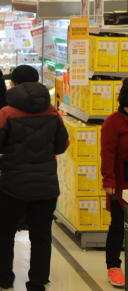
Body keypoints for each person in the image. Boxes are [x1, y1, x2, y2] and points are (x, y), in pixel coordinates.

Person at [0, 65, 68, 291]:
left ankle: (4, 279)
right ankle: (37, 283)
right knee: (42, 236)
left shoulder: (6, 113)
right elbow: (62, 145)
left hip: (13, 186)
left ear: (14, 84)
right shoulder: (53, 111)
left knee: (6, 232)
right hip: (46, 187)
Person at [100, 79, 128, 288]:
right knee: (118, 224)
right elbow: (107, 153)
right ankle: (114, 266)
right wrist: (108, 179)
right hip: (121, 183)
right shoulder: (114, 121)